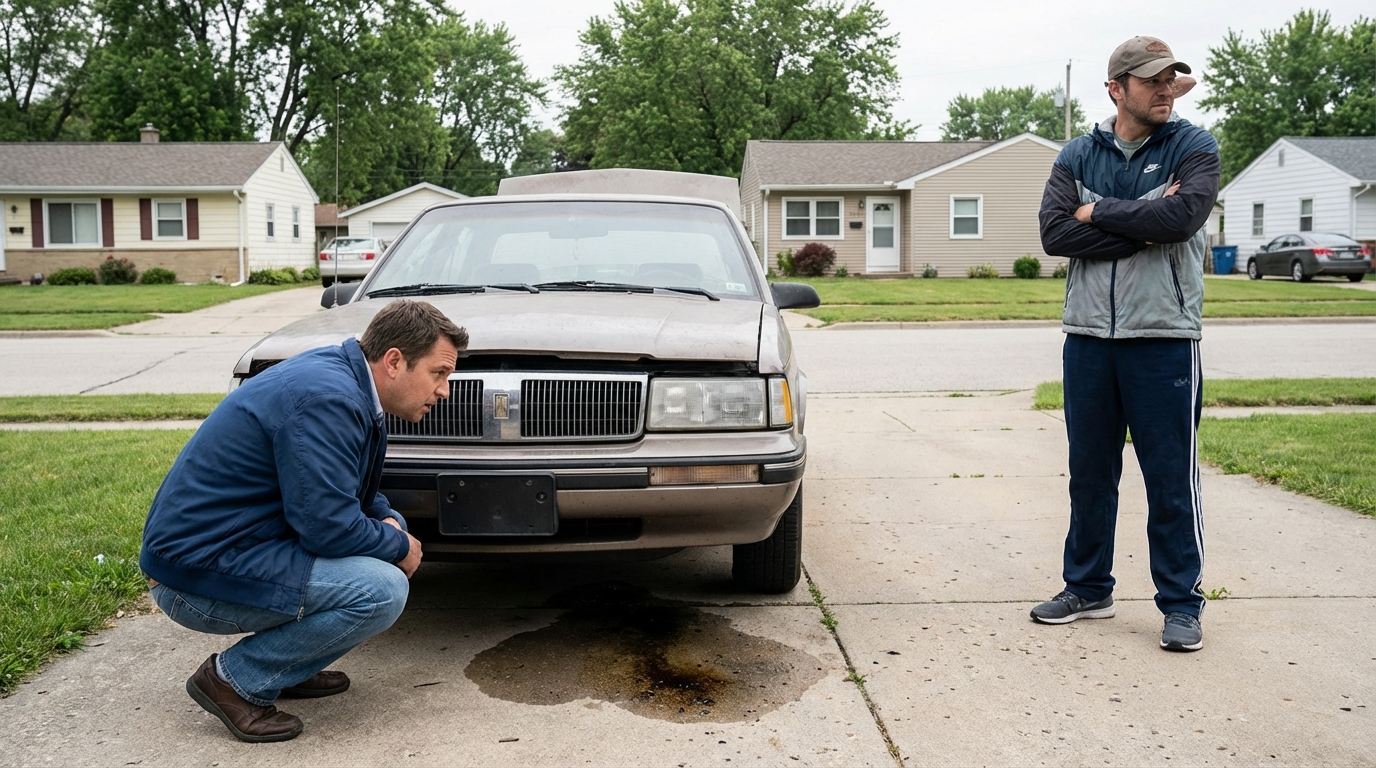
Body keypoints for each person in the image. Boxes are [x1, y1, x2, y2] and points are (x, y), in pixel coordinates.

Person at [140, 299, 468, 741]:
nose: (444, 390)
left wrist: (390, 522)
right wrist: (397, 546)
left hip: (238, 549)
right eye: (439, 373)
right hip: (192, 577)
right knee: (381, 589)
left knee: (385, 548)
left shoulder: (343, 382)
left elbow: (345, 491)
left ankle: (286, 664)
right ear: (394, 361)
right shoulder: (327, 398)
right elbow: (327, 528)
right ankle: (234, 680)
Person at [1033, 36, 1221, 652]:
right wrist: (1137, 220)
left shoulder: (1193, 146)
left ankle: (1181, 603)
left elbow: (1181, 220)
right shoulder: (1076, 153)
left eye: (1172, 79)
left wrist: (1097, 213)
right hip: (1088, 337)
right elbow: (1055, 234)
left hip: (1163, 337)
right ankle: (1088, 588)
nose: (1166, 88)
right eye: (1152, 80)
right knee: (1089, 474)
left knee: (1169, 477)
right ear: (1117, 88)